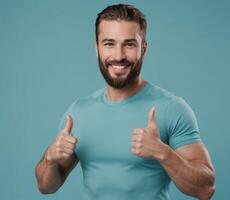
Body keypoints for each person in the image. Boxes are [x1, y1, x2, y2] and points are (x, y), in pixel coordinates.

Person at [35, 4, 215, 200]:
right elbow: (46, 186)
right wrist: (50, 158)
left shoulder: (171, 108)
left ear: (143, 49)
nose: (119, 56)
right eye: (109, 44)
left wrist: (164, 153)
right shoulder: (78, 112)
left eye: (129, 44)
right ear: (97, 48)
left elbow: (205, 189)